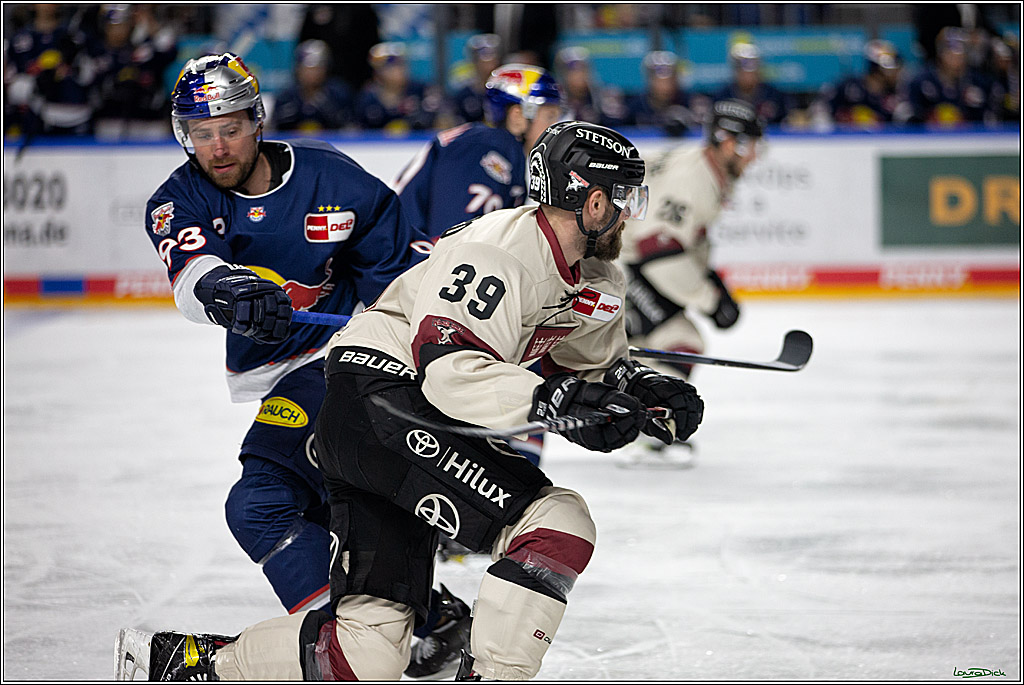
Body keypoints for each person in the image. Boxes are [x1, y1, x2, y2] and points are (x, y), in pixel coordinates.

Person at [114, 121, 705, 682]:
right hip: (385, 403)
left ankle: (177, 663)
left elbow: (589, 367)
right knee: (557, 522)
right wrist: (556, 401)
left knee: (364, 654)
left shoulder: (595, 275)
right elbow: (453, 375)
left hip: (373, 416)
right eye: (626, 197)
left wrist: (641, 392)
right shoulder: (499, 251)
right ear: (594, 202)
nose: (632, 212)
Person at [138, 48, 436, 640]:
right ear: (184, 136)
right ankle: (430, 624)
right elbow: (193, 270)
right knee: (329, 514)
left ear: (256, 123)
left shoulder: (335, 179)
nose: (217, 147)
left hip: (348, 359)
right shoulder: (179, 201)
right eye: (202, 133)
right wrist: (228, 288)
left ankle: (344, 646)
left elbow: (403, 281)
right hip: (281, 371)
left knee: (261, 505)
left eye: (230, 129)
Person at [617, 98, 762, 468]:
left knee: (650, 347)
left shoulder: (703, 169)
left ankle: (630, 418)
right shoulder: (693, 179)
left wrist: (704, 276)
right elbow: (657, 250)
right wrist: (709, 298)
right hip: (620, 265)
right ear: (728, 143)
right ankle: (645, 432)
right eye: (750, 147)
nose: (754, 157)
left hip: (621, 259)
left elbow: (680, 241)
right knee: (680, 342)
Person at [906, 26, 1001, 126]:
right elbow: (914, 115)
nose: (956, 60)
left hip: (970, 138)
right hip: (930, 138)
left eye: (960, 55)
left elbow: (988, 117)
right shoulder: (922, 82)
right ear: (941, 54)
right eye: (950, 54)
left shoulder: (979, 82)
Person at [814, 39, 911, 128]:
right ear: (879, 69)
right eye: (893, 69)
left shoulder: (897, 95)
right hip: (843, 142)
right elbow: (821, 111)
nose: (897, 72)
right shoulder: (848, 87)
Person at [353, 41, 442, 132]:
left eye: (401, 65)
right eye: (390, 68)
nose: (398, 71)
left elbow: (443, 122)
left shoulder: (423, 91)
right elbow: (357, 130)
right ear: (377, 73)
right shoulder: (367, 99)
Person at [271, 39, 353, 133]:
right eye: (307, 69)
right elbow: (275, 129)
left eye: (317, 68)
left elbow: (350, 128)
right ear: (298, 69)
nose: (312, 74)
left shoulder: (338, 95)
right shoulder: (286, 98)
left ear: (325, 69)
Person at [714, 42, 791, 126]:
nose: (748, 77)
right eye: (743, 72)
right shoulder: (723, 95)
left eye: (752, 72)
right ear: (736, 71)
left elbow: (783, 123)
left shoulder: (773, 94)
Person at [625, 50, 699, 136]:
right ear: (650, 79)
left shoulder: (690, 102)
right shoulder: (637, 105)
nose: (665, 85)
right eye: (659, 80)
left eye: (669, 79)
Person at [450, 33, 503, 124]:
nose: (490, 67)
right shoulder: (464, 95)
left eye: (493, 61)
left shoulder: (503, 92)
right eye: (484, 62)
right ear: (475, 63)